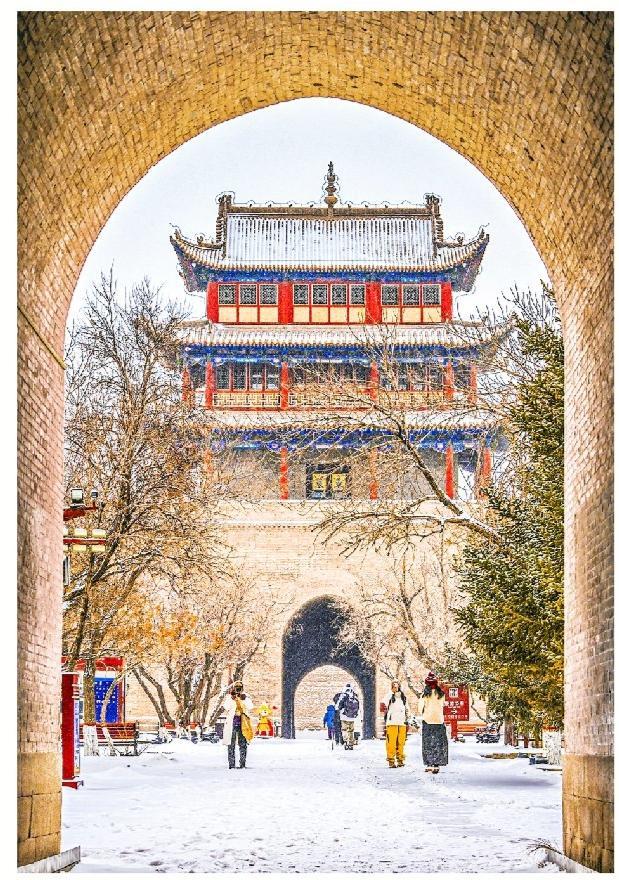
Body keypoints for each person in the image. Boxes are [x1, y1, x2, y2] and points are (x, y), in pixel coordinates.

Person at [418, 672, 448, 773]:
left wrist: (424, 712)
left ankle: (429, 763)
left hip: (428, 720)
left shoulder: (424, 695)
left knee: (428, 743)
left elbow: (420, 708)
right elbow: (443, 705)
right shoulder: (441, 694)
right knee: (438, 743)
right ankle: (436, 764)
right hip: (439, 720)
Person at [222, 680, 254, 769]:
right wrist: (231, 698)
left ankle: (242, 764)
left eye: (240, 687)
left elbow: (251, 707)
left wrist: (244, 699)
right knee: (231, 744)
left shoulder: (245, 697)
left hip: (243, 724)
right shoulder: (230, 698)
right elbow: (226, 707)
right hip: (232, 723)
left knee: (243, 744)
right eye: (236, 687)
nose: (238, 689)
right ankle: (231, 764)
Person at [383, 680, 409, 768]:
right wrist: (391, 693)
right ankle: (391, 760)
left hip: (402, 722)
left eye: (397, 686)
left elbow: (407, 709)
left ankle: (400, 760)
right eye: (394, 686)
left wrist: (408, 719)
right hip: (392, 722)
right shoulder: (389, 696)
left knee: (401, 743)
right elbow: (384, 703)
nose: (396, 688)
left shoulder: (403, 697)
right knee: (391, 743)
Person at [335, 683, 360, 750]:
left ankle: (346, 742)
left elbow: (338, 706)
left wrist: (338, 708)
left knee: (344, 730)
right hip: (352, 717)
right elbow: (358, 706)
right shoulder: (354, 695)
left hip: (344, 716)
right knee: (351, 730)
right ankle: (350, 743)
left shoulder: (343, 695)